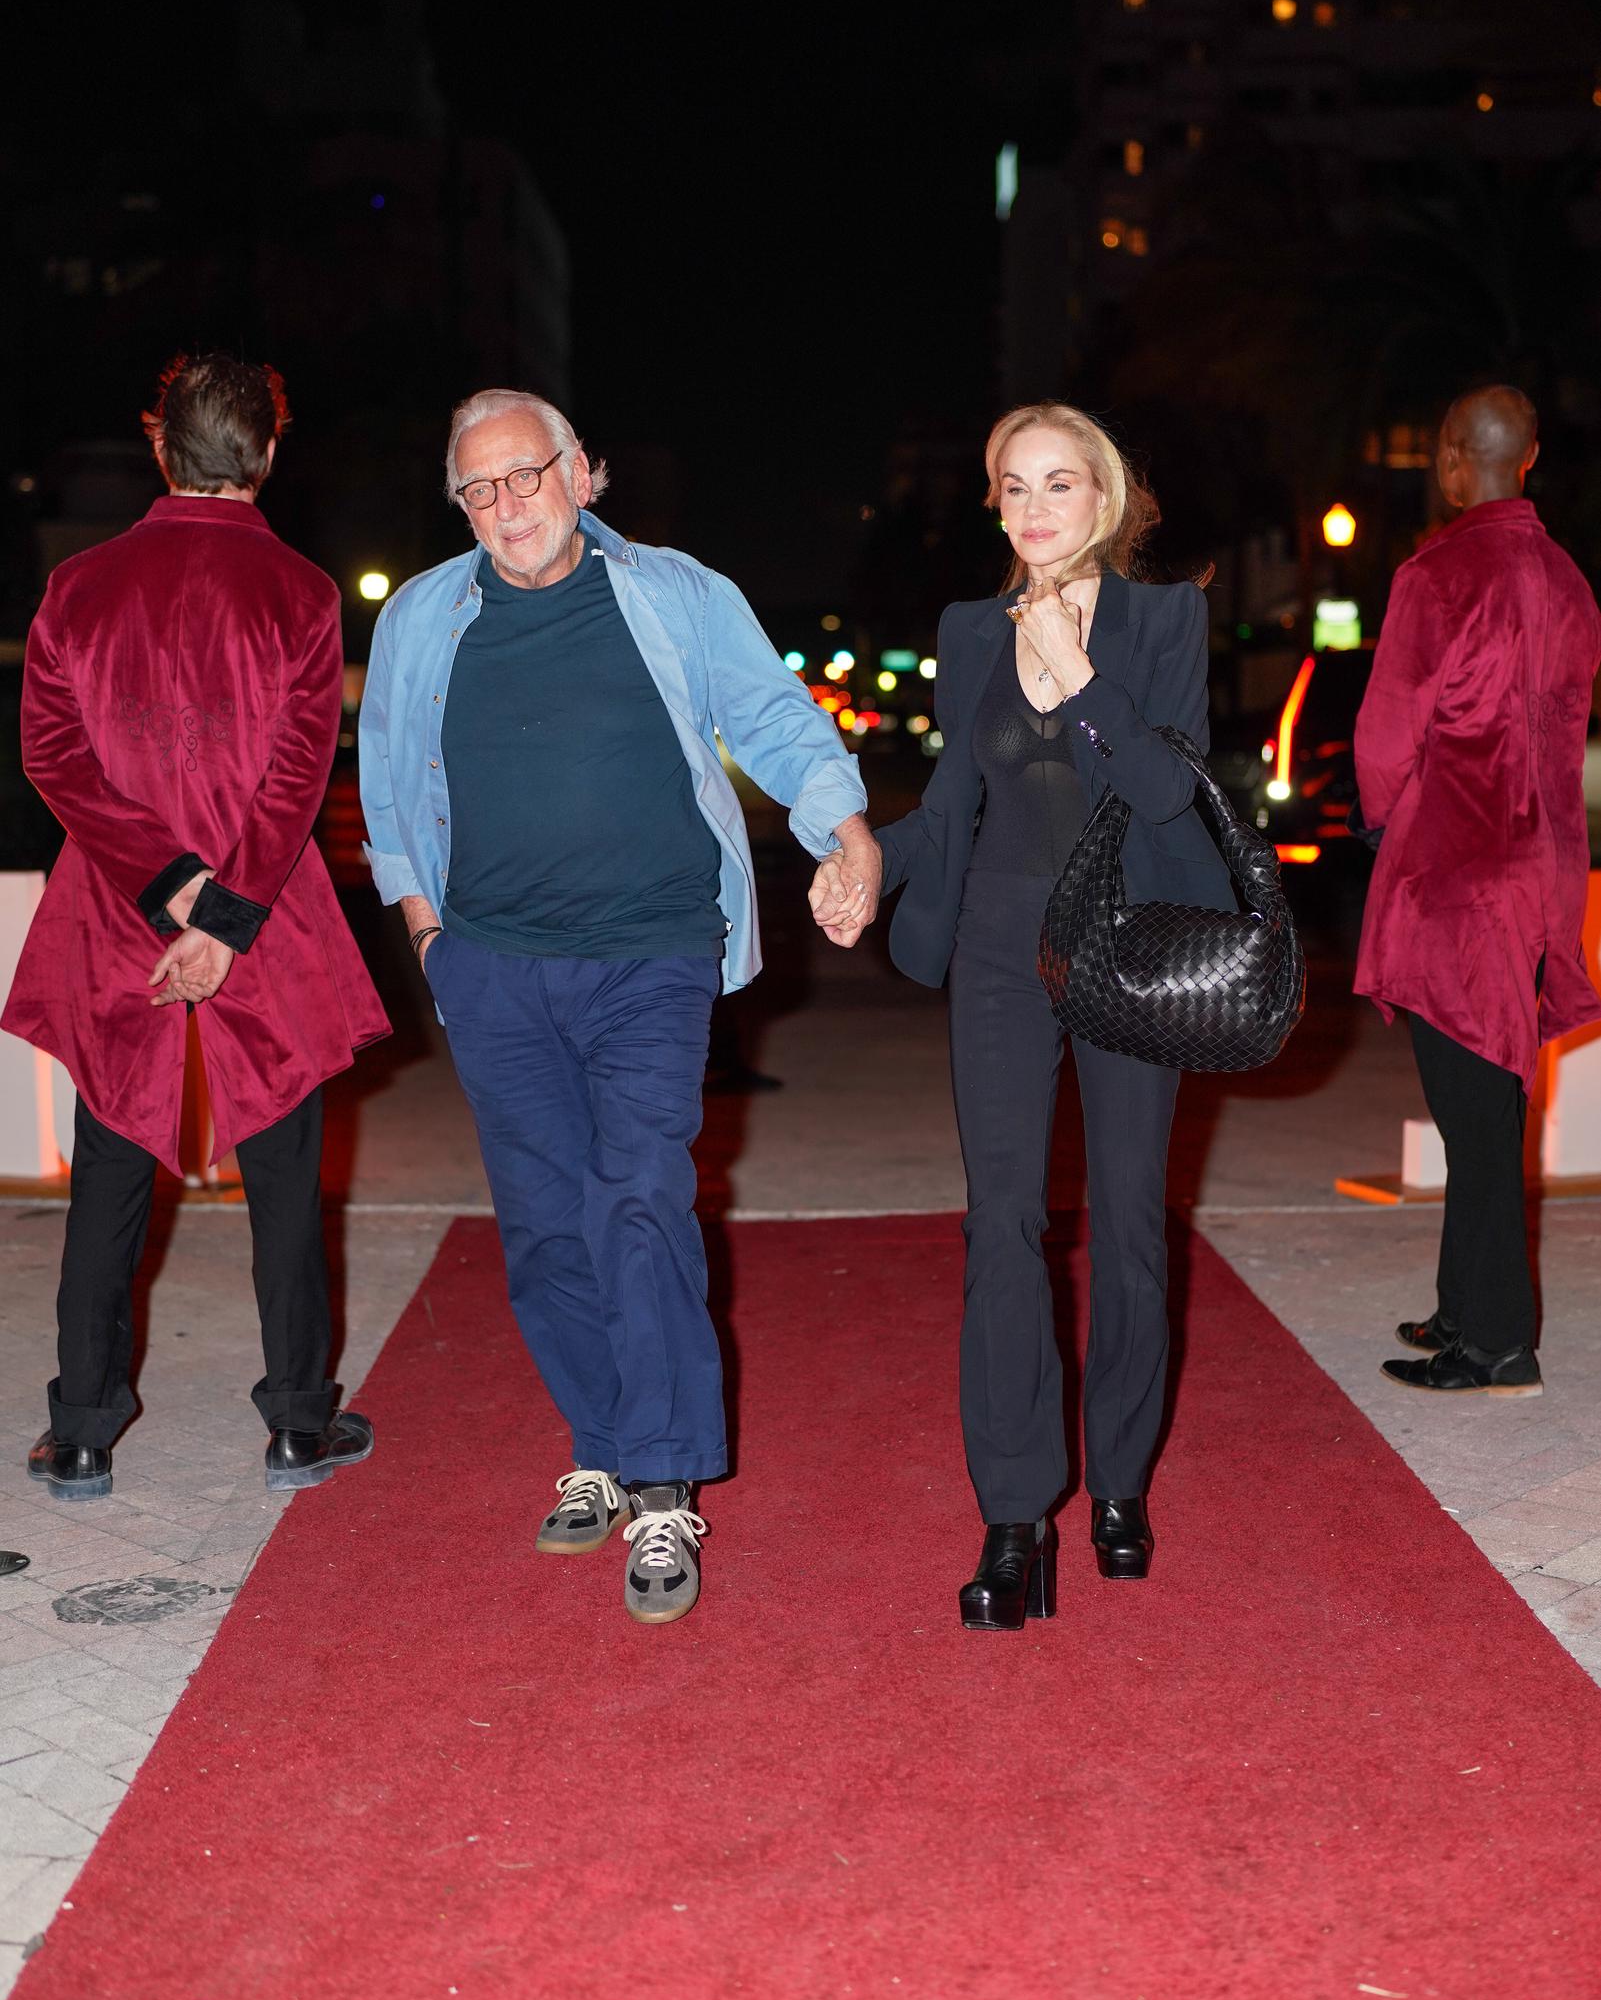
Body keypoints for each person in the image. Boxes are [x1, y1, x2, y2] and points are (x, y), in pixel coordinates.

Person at [358, 388, 873, 1625]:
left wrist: (843, 829)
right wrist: (430, 937)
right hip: (491, 963)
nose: (503, 507)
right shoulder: (428, 615)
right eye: (475, 489)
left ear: (581, 474)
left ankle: (661, 1486)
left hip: (651, 951)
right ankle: (597, 1439)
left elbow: (771, 718)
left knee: (637, 1196)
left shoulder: (679, 594)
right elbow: (385, 781)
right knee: (542, 1225)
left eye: (523, 476)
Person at [811, 402, 1231, 1629]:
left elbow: (1166, 796)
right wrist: (867, 865)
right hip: (999, 941)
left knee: (1126, 1223)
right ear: (994, 504)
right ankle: (1010, 1516)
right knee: (998, 1225)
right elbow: (949, 808)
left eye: (1062, 482)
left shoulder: (1164, 621)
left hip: (1127, 938)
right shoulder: (963, 629)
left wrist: (1081, 680)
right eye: (1015, 485)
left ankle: (1116, 1484)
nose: (1038, 505)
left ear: (1103, 499)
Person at [4, 353, 390, 1500]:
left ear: (159, 446)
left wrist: (163, 887)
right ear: (266, 452)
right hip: (263, 918)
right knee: (283, 1171)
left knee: (109, 1171)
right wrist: (219, 914)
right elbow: (292, 779)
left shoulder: (76, 586)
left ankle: (80, 1431)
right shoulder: (304, 595)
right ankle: (297, 1424)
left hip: (119, 919)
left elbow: (53, 758)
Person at [1357, 385, 1601, 1397]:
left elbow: (1384, 732)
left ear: (1456, 457)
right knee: (1485, 1104)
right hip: (1539, 871)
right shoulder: (1570, 580)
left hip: (1455, 871)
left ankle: (1497, 1341)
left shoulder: (1437, 570)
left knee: (1474, 1117)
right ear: (1529, 456)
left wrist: (1381, 825)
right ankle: (1464, 1306)